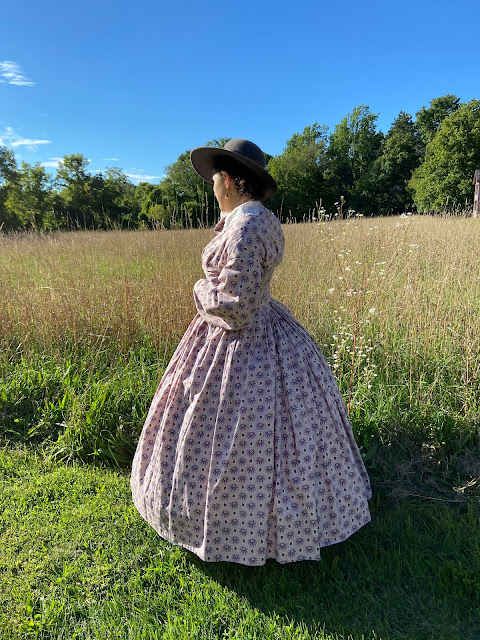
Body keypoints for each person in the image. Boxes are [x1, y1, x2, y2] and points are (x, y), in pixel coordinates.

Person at [130, 139, 371, 566]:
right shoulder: (259, 220)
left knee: (232, 432)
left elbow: (235, 306)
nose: (213, 187)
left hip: (242, 341)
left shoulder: (245, 226)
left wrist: (199, 288)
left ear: (228, 180)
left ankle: (236, 531)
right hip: (269, 329)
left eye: (215, 179)